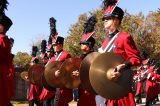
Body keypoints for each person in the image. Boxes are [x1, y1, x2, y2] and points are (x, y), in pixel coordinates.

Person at [99, 1, 142, 105]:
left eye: (108, 18)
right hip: (108, 87)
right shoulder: (104, 43)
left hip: (122, 87)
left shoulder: (124, 37)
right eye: (104, 19)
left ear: (116, 20)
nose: (105, 20)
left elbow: (136, 59)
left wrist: (123, 65)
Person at [39, 36, 73, 106]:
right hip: (54, 86)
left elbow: (70, 69)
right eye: (53, 45)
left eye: (55, 45)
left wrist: (61, 73)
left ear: (60, 45)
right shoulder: (54, 57)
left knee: (59, 103)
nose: (53, 47)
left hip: (62, 86)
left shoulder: (66, 55)